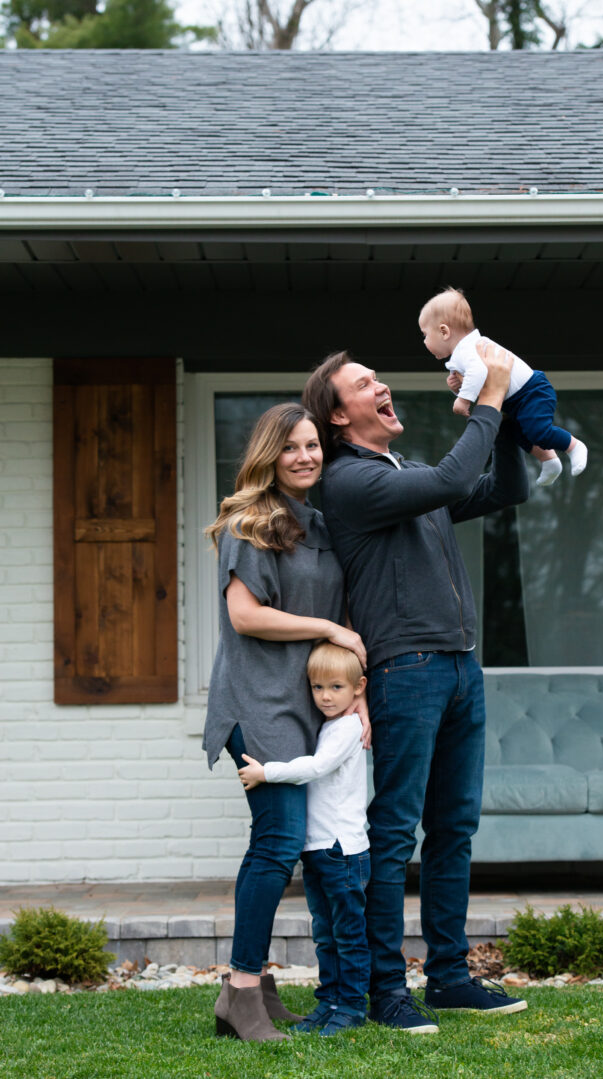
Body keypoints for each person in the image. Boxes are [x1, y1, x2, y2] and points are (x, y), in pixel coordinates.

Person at [302, 343, 530, 1034]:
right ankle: (383, 988)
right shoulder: (348, 480)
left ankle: (450, 978)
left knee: (454, 829)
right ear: (340, 418)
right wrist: (490, 396)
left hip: (460, 666)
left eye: (378, 376)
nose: (383, 384)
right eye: (365, 382)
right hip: (407, 671)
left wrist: (513, 419)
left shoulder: (402, 472)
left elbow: (502, 488)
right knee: (394, 833)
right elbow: (459, 470)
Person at [202, 402, 367, 1043]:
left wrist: (358, 693)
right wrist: (329, 628)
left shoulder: (320, 524)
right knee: (277, 844)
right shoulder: (250, 522)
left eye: (313, 446)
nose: (305, 456)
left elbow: (348, 619)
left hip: (305, 706)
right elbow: (245, 616)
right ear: (269, 455)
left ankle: (253, 990)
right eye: (291, 447)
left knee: (280, 846)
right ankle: (242, 989)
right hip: (257, 702)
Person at [237, 640, 371, 1038]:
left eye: (336, 687)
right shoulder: (329, 725)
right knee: (325, 933)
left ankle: (350, 1007)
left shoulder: (348, 728)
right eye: (317, 688)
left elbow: (317, 767)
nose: (325, 697)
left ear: (358, 687)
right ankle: (328, 1000)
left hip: (341, 850)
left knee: (347, 934)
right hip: (318, 850)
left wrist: (267, 773)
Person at [419, 287, 588, 487]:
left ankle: (574, 446)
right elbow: (479, 381)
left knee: (538, 431)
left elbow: (479, 373)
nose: (424, 341)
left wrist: (463, 399)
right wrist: (458, 387)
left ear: (444, 331)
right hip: (514, 399)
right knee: (519, 433)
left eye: (425, 335)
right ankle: (549, 460)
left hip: (531, 391)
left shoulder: (467, 349)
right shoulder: (463, 352)